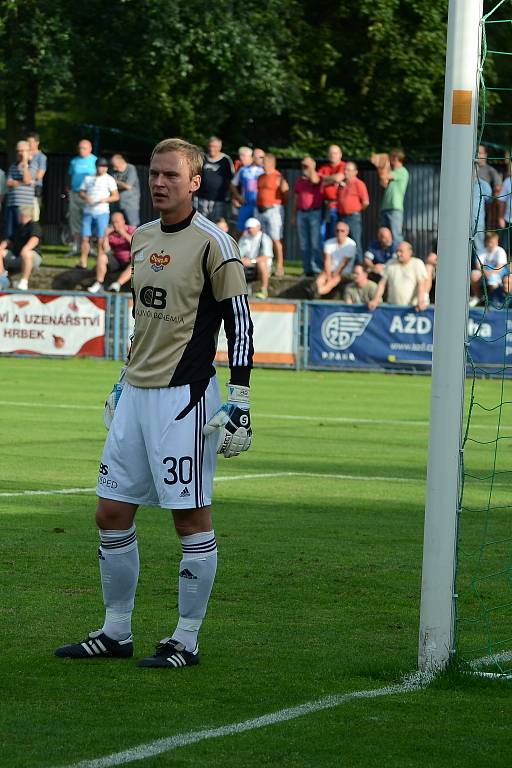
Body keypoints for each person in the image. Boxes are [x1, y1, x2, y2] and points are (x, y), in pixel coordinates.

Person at [54, 137, 254, 670]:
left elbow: (241, 321)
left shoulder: (215, 242)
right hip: (135, 397)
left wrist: (240, 395)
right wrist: (122, 382)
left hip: (184, 399)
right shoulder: (141, 238)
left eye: (170, 175)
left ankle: (185, 639)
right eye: (154, 174)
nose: (159, 182)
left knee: (189, 519)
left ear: (194, 182)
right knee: (111, 512)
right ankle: (116, 631)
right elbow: (146, 322)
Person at [78, 158, 119, 270]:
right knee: (85, 237)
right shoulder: (88, 178)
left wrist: (105, 199)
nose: (103, 168)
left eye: (105, 166)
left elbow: (116, 196)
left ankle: (99, 261)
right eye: (101, 166)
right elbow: (81, 192)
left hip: (102, 212)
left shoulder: (109, 179)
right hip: (88, 211)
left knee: (101, 238)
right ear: (96, 166)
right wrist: (86, 197)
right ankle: (83, 262)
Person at [368, 241, 429, 311]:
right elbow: (382, 284)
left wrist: (421, 301)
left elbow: (421, 284)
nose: (398, 254)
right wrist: (375, 300)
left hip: (412, 309)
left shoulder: (417, 263)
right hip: (393, 308)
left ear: (410, 252)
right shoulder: (390, 263)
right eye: (397, 251)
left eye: (401, 251)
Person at [256, 153, 288, 276]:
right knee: (264, 238)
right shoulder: (260, 176)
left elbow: (286, 194)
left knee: (276, 238)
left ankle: (280, 266)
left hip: (274, 209)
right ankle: (267, 266)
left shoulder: (278, 176)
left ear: (271, 162)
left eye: (264, 161)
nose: (262, 163)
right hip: (260, 209)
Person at [88, 211, 136, 294]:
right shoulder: (111, 234)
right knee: (102, 257)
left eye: (117, 222)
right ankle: (99, 283)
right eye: (113, 222)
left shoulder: (132, 230)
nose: (115, 224)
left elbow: (136, 244)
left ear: (123, 221)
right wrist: (105, 236)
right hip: (116, 261)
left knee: (134, 263)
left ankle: (117, 284)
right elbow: (105, 250)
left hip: (129, 260)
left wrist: (123, 233)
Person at [293, 156, 323, 276]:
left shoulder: (318, 176)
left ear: (313, 166)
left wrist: (310, 167)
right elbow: (296, 198)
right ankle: (307, 269)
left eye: (307, 166)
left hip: (314, 213)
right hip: (301, 213)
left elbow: (315, 180)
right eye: (303, 166)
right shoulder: (300, 180)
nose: (304, 168)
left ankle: (316, 269)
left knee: (315, 242)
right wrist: (294, 215)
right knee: (304, 243)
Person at [0, 205, 42, 290]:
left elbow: (35, 239)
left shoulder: (34, 225)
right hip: (17, 256)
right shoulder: (19, 227)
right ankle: (2, 278)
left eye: (20, 214)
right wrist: (2, 246)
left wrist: (26, 249)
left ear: (24, 215)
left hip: (32, 257)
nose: (18, 216)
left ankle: (24, 282)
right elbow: (9, 240)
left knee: (26, 253)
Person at [67, 139, 98, 255]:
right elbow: (70, 176)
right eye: (80, 148)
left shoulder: (95, 160)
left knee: (89, 220)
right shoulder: (74, 161)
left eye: (84, 148)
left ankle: (90, 247)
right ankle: (76, 246)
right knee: (74, 219)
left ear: (90, 148)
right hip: (75, 194)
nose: (81, 150)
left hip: (89, 196)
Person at [336, 161, 369, 264]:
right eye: (345, 169)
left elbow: (365, 202)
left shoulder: (359, 184)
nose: (346, 172)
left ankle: (359, 266)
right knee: (343, 242)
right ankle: (344, 266)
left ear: (355, 172)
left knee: (355, 242)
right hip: (342, 216)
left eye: (349, 170)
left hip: (353, 217)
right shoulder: (342, 185)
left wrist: (355, 209)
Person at [194, 136, 234, 220]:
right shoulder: (203, 158)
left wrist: (232, 196)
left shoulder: (226, 160)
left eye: (214, 146)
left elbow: (230, 180)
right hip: (202, 198)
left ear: (220, 147)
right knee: (201, 222)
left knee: (217, 224)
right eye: (210, 146)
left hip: (219, 200)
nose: (212, 149)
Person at [375, 149, 409, 244]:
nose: (389, 160)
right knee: (383, 233)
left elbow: (383, 177)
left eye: (391, 158)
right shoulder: (393, 172)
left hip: (395, 207)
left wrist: (381, 165)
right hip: (385, 207)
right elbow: (383, 183)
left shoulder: (402, 171)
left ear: (395, 158)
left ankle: (398, 254)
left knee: (396, 234)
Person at [315, 221, 356, 297]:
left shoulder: (351, 244)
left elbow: (343, 263)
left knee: (334, 280)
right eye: (337, 230)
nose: (339, 233)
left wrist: (332, 276)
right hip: (330, 270)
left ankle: (318, 293)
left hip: (345, 272)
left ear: (347, 232)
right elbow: (327, 260)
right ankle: (316, 292)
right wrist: (328, 274)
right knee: (320, 279)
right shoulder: (328, 243)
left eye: (342, 231)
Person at [5, 140, 37, 239]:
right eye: (19, 151)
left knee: (22, 231)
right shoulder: (13, 166)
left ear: (29, 152)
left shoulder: (32, 165)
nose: (21, 153)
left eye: (23, 151)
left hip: (24, 205)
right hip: (12, 203)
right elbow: (8, 182)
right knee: (10, 232)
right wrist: (21, 183)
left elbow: (27, 179)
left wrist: (24, 164)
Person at [231, 148, 264, 236]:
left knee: (260, 231)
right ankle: (236, 249)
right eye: (260, 157)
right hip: (246, 205)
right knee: (240, 230)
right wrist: (238, 197)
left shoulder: (264, 170)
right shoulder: (243, 170)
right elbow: (233, 184)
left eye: (263, 157)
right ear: (253, 157)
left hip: (259, 206)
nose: (262, 159)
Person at [470, 230, 508, 306]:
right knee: (473, 275)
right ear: (486, 242)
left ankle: (494, 300)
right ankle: (479, 298)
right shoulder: (481, 251)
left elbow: (500, 266)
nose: (491, 244)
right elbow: (478, 265)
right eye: (490, 242)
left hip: (498, 272)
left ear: (497, 242)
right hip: (485, 272)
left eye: (493, 242)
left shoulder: (500, 251)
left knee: (493, 280)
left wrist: (491, 273)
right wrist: (485, 272)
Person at [238, 217, 273, 299]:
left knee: (262, 264)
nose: (250, 230)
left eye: (251, 228)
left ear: (258, 227)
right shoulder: (244, 238)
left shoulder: (265, 238)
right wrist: (242, 260)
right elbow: (238, 253)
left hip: (261, 266)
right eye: (248, 228)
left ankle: (264, 290)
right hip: (247, 265)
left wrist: (252, 261)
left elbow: (266, 257)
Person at [317, 144, 346, 241]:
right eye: (331, 153)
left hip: (337, 207)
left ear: (340, 154)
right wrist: (333, 180)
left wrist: (325, 180)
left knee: (335, 234)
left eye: (335, 153)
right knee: (322, 234)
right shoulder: (324, 167)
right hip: (324, 206)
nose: (333, 155)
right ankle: (324, 256)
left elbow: (339, 177)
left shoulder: (343, 166)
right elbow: (317, 180)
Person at [110, 153, 141, 227]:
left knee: (132, 224)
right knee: (115, 224)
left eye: (115, 165)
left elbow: (128, 186)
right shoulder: (114, 171)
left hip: (130, 204)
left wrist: (115, 182)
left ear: (121, 162)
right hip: (117, 203)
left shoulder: (131, 168)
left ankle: (132, 239)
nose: (113, 168)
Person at [26, 132, 47, 222]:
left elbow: (40, 174)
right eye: (27, 142)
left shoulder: (41, 157)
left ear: (37, 142)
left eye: (30, 142)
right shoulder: (23, 155)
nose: (29, 144)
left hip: (35, 188)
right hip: (23, 189)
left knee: (34, 215)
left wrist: (28, 180)